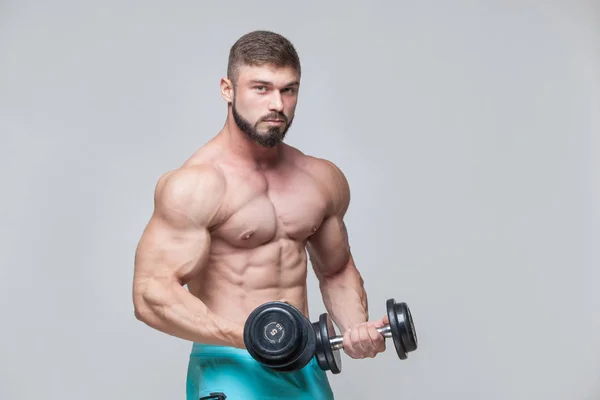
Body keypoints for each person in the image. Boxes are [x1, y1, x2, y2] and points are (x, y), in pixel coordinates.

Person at [132, 30, 388, 400]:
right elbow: (150, 294)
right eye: (261, 88)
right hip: (230, 366)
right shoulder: (197, 185)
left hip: (306, 366)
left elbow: (335, 270)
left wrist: (355, 330)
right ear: (227, 89)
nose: (278, 105)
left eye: (288, 90)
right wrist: (252, 337)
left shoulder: (320, 179)